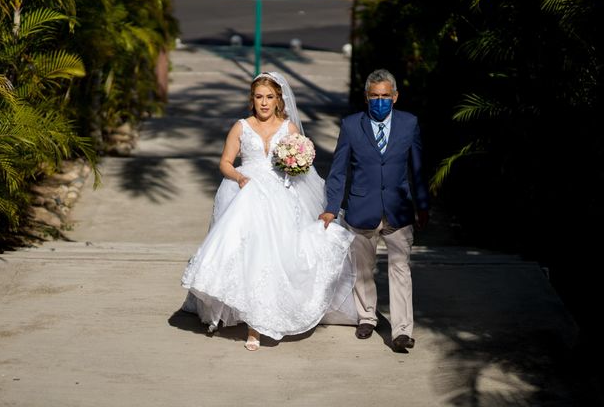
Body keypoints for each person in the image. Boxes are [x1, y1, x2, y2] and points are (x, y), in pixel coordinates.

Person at [181, 72, 357, 351]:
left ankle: (259, 322)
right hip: (246, 194)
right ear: (252, 100)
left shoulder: (289, 130)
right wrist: (239, 178)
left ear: (279, 100)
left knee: (273, 259)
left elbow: (304, 169)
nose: (264, 103)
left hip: (280, 197)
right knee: (243, 256)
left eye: (270, 97)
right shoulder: (241, 126)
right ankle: (242, 319)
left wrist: (296, 167)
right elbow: (225, 162)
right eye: (259, 97)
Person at [319, 69, 430, 353]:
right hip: (362, 208)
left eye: (385, 96)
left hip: (399, 210)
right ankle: (367, 316)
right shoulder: (352, 125)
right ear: (367, 98)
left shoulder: (409, 124)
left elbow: (417, 169)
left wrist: (422, 205)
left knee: (400, 268)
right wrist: (332, 208)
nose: (380, 102)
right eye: (374, 97)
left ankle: (402, 330)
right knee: (363, 269)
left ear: (395, 97)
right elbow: (338, 170)